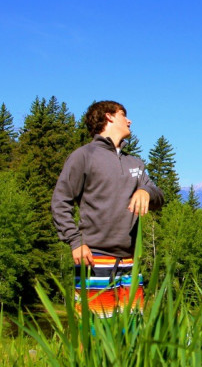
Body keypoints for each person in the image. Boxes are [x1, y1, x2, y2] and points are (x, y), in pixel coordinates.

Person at [51, 100, 164, 318]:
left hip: (130, 261)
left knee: (131, 335)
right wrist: (75, 241)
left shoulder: (135, 163)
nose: (129, 120)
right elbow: (60, 200)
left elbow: (158, 195)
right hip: (95, 259)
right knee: (94, 334)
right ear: (108, 117)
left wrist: (146, 192)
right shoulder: (84, 156)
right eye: (123, 114)